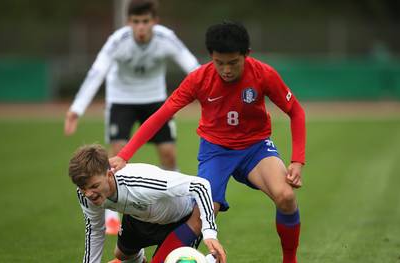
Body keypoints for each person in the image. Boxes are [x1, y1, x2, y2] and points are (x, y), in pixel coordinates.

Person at [110, 21, 306, 263]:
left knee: (286, 196)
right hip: (216, 151)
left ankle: (290, 260)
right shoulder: (199, 79)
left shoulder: (263, 74)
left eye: (233, 63)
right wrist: (124, 155)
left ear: (247, 55)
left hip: (255, 147)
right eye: (219, 62)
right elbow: (161, 115)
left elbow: (295, 111)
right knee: (202, 215)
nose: (225, 70)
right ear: (211, 56)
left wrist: (297, 160)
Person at [64, 0, 200, 235]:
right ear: (129, 23)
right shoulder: (118, 42)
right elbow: (97, 72)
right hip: (121, 100)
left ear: (154, 22)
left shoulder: (166, 38)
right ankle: (111, 217)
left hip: (155, 100)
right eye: (136, 22)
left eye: (145, 21)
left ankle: (181, 202)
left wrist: (210, 93)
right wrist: (76, 108)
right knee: (117, 154)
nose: (140, 27)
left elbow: (194, 68)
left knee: (168, 153)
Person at [68, 144, 226, 263]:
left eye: (94, 186)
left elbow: (200, 185)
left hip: (180, 219)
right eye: (83, 188)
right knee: (122, 254)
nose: (88, 194)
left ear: (109, 175)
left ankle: (209, 260)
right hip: (140, 216)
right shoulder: (87, 194)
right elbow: (95, 230)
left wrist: (209, 232)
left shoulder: (141, 182)